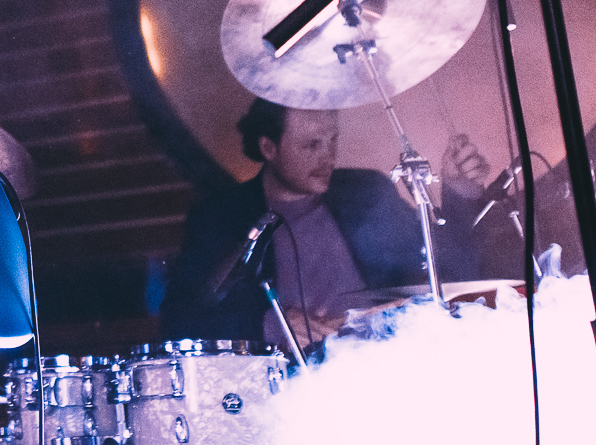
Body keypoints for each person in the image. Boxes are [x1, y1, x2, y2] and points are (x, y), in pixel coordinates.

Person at [160, 98, 493, 346]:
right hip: (287, 392)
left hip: (386, 365)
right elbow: (180, 321)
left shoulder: (365, 191)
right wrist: (267, 325)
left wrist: (458, 192)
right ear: (269, 147)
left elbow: (447, 273)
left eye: (333, 139)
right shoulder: (221, 217)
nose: (327, 156)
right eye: (311, 145)